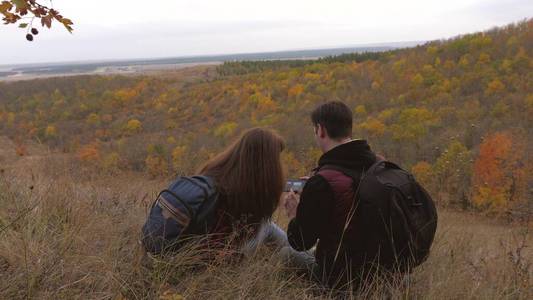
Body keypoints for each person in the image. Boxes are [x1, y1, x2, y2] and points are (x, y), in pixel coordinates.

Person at [142, 127, 289, 258]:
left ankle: (302, 251)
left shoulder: (215, 175)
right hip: (204, 262)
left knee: (267, 226)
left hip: (168, 254)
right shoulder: (239, 194)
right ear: (266, 164)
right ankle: (305, 253)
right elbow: (224, 242)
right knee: (267, 226)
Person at [282, 101, 379, 287]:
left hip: (342, 278)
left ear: (321, 130)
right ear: (349, 130)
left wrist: (296, 214)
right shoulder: (378, 165)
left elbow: (300, 242)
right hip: (382, 271)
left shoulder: (322, 183)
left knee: (286, 254)